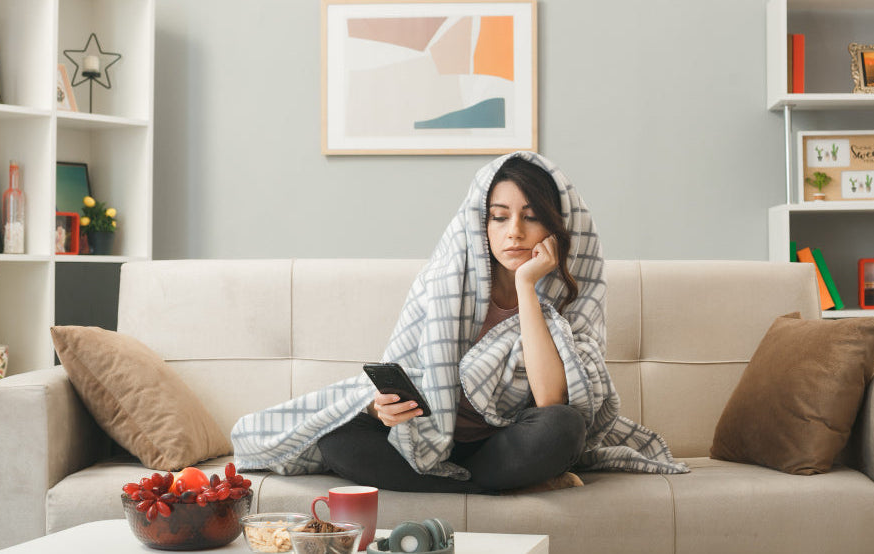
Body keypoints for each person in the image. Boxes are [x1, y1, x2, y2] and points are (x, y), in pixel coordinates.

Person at [231, 152, 687, 493]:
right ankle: (492, 488)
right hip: (430, 437)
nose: (514, 232)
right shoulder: (445, 281)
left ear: (555, 227)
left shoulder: (569, 294)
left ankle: (493, 480)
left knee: (564, 428)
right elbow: (404, 369)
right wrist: (380, 409)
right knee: (338, 438)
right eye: (500, 217)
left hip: (505, 442)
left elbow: (552, 400)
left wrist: (528, 289)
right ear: (480, 224)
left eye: (532, 218)